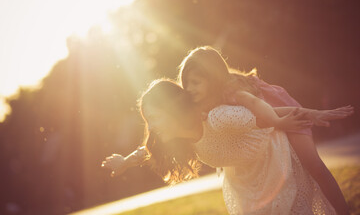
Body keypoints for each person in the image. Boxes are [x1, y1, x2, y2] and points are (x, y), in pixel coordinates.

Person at [102, 79, 352, 214]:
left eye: (155, 118)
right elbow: (148, 150)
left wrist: (314, 113)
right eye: (148, 121)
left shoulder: (217, 119)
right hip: (247, 182)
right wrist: (125, 161)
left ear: (172, 110)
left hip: (273, 157)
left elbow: (271, 114)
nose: (152, 127)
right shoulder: (181, 140)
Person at [177, 46, 353, 215]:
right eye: (187, 84)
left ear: (212, 79)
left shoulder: (232, 92)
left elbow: (258, 107)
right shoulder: (198, 102)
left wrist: (306, 115)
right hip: (264, 123)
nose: (190, 88)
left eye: (196, 82)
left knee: (314, 166)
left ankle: (344, 212)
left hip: (281, 112)